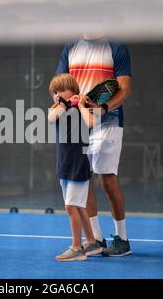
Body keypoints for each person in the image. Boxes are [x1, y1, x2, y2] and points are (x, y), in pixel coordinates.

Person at [55, 33, 132, 256]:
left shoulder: (116, 45)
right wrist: (68, 103)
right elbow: (60, 86)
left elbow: (124, 88)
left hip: (108, 120)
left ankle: (122, 239)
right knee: (82, 177)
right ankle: (96, 239)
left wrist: (104, 108)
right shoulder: (70, 46)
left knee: (107, 180)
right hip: (79, 121)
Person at [47, 73, 102, 261]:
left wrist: (80, 105)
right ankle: (92, 243)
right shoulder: (57, 108)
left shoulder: (83, 107)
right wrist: (62, 103)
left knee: (71, 206)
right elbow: (52, 118)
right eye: (56, 91)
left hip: (79, 164)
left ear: (74, 90)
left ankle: (77, 248)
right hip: (64, 165)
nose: (59, 93)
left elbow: (93, 123)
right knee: (78, 207)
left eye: (63, 89)